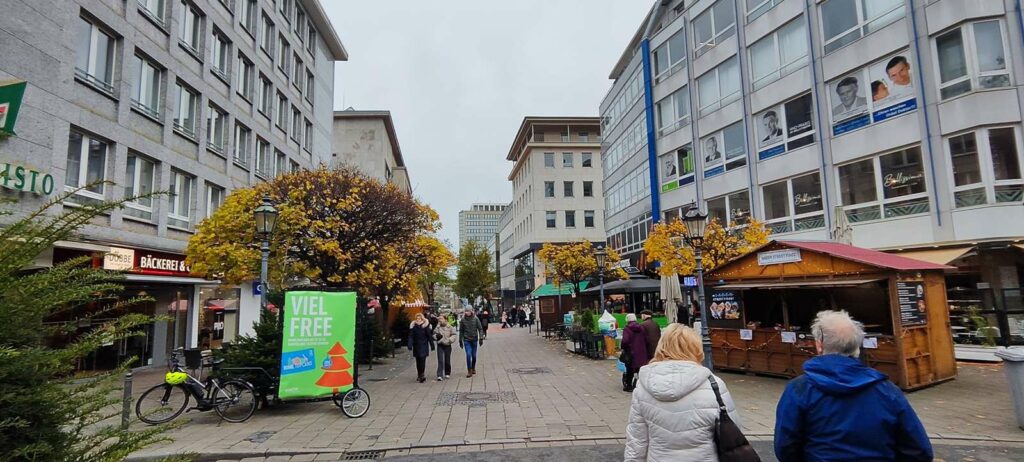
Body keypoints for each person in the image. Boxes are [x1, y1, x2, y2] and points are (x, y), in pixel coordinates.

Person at [774, 310, 932, 461]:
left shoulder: (799, 389)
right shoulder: (888, 391)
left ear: (819, 345)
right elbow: (919, 449)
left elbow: (786, 447)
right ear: (857, 345)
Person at [624, 324, 740, 461]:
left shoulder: (643, 387)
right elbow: (734, 431)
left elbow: (636, 441)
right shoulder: (714, 384)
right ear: (696, 348)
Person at [620, 313, 648, 392]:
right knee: (639, 368)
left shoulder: (627, 329)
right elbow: (645, 338)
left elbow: (625, 341)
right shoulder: (641, 328)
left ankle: (628, 385)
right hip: (641, 351)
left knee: (630, 369)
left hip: (631, 351)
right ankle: (640, 384)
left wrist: (623, 347)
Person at [407, 313, 435, 383]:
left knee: (422, 360)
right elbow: (411, 336)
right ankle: (419, 374)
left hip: (424, 345)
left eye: (419, 318)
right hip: (416, 346)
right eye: (417, 318)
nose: (418, 320)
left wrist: (432, 345)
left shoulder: (425, 326)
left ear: (422, 319)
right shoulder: (413, 327)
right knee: (418, 361)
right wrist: (410, 345)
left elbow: (429, 336)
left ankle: (422, 374)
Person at [458, 308, 483, 377]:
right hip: (467, 340)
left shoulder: (475, 319)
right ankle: (469, 370)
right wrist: (460, 340)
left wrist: (481, 338)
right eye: (466, 311)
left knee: (474, 356)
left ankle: (473, 367)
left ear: (471, 311)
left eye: (468, 311)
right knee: (468, 355)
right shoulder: (463, 320)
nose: (467, 312)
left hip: (474, 340)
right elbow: (461, 331)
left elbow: (480, 329)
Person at [433, 316, 457, 380]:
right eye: (439, 319)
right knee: (440, 360)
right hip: (440, 345)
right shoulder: (437, 327)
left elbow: (454, 335)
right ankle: (439, 375)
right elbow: (434, 334)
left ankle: (447, 373)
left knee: (447, 360)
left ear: (445, 320)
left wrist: (450, 340)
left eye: (441, 318)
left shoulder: (450, 327)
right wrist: (436, 336)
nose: (440, 320)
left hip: (447, 345)